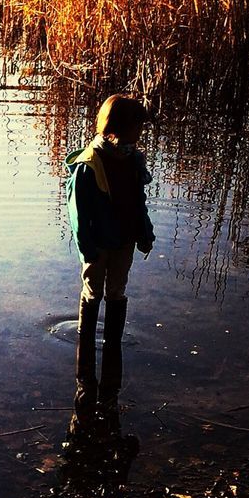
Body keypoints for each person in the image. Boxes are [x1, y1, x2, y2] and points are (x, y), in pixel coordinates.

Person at [64, 94, 155, 415]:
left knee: (117, 290)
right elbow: (78, 212)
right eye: (137, 128)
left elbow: (138, 202)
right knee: (93, 290)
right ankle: (85, 348)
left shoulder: (133, 160)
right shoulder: (89, 163)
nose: (140, 134)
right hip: (98, 243)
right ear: (117, 128)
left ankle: (112, 345)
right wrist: (86, 248)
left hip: (124, 241)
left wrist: (145, 232)